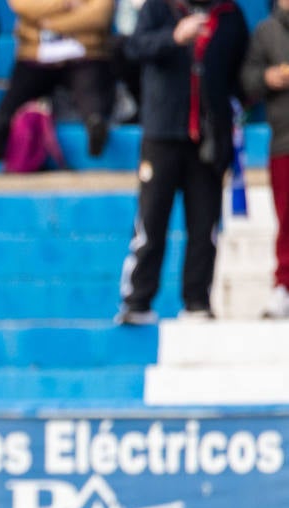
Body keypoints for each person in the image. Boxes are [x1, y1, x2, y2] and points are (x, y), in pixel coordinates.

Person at [115, 0, 248, 324]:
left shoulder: (229, 15)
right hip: (162, 132)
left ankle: (197, 300)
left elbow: (242, 70)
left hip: (208, 137)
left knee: (205, 224)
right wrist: (173, 37)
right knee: (151, 219)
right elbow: (131, 49)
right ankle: (138, 301)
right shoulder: (157, 9)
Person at [0, 0, 117, 161]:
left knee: (90, 87)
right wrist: (65, 4)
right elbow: (22, 6)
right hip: (37, 56)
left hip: (84, 54)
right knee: (19, 88)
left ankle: (95, 126)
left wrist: (48, 21)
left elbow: (99, 15)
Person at [242, 0, 289, 317]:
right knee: (286, 218)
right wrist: (267, 77)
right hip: (285, 139)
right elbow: (247, 78)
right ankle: (284, 285)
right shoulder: (265, 31)